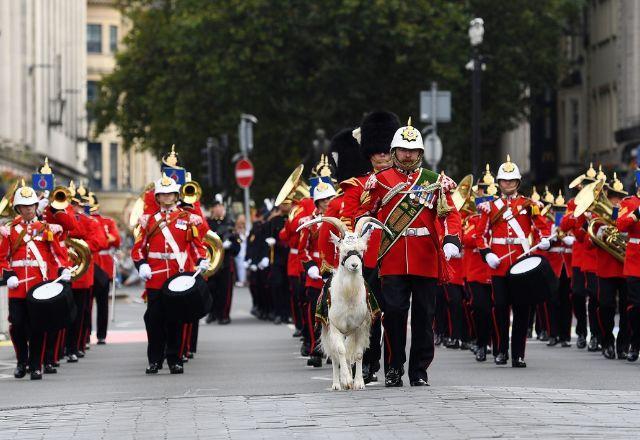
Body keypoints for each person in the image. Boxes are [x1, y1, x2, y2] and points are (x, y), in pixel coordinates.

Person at [357, 118, 461, 386]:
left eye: (412, 150)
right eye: (403, 149)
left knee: (425, 317)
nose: (407, 154)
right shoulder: (379, 181)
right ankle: (393, 368)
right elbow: (364, 212)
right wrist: (364, 233)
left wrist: (451, 239)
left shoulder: (434, 181)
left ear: (420, 153)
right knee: (393, 315)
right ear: (394, 152)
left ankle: (419, 371)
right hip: (392, 257)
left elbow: (450, 215)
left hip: (425, 256)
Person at [340, 111, 400, 382]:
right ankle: (369, 361)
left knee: (397, 314)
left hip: (398, 255)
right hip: (370, 257)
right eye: (376, 151)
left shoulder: (407, 183)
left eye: (386, 151)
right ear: (369, 153)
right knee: (370, 314)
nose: (382, 156)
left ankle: (395, 364)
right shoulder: (358, 186)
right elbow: (349, 222)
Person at [476, 155, 551, 368]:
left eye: (511, 181)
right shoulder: (489, 207)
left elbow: (542, 228)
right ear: (499, 183)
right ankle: (500, 351)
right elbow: (479, 235)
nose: (507, 184)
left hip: (521, 263)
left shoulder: (529, 205)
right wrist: (487, 253)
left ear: (517, 182)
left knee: (522, 310)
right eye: (504, 181)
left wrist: (544, 241)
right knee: (500, 308)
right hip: (499, 264)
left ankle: (518, 354)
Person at [132, 174, 208, 374]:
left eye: (170, 194)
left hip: (178, 275)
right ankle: (154, 359)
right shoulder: (148, 220)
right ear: (157, 198)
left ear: (176, 196)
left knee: (175, 319)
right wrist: (141, 264)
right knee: (154, 319)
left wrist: (201, 259)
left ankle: (174, 359)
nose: (166, 198)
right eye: (162, 195)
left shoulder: (186, 218)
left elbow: (195, 245)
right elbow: (138, 247)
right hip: (155, 276)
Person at [0, 180, 72, 380]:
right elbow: (2, 258)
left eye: (31, 205)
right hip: (17, 287)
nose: (29, 209)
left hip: (39, 285)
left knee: (38, 326)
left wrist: (63, 269)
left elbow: (57, 253)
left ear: (35, 206)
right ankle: (22, 361)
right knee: (17, 325)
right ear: (18, 208)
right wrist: (9, 274)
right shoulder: (10, 230)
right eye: (24, 206)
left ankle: (36, 365)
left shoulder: (45, 228)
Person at [298, 176, 337, 367]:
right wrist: (310, 267)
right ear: (317, 202)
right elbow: (302, 250)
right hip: (315, 272)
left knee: (334, 314)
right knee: (314, 312)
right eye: (324, 199)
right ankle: (315, 349)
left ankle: (332, 350)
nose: (328, 202)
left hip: (335, 270)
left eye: (330, 198)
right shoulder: (308, 222)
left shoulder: (338, 219)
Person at [88, 193, 121, 345]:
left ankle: (101, 334)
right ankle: (85, 335)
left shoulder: (107, 221)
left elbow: (116, 239)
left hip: (104, 264)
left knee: (102, 303)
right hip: (88, 262)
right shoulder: (84, 221)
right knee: (85, 303)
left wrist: (104, 240)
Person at [206, 196, 240, 325]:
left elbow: (237, 245)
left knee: (225, 290)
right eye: (216, 206)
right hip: (211, 260)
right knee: (211, 289)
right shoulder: (208, 223)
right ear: (213, 209)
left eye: (221, 206)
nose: (219, 209)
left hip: (225, 262)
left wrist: (230, 246)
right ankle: (212, 313)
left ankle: (224, 315)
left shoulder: (230, 223)